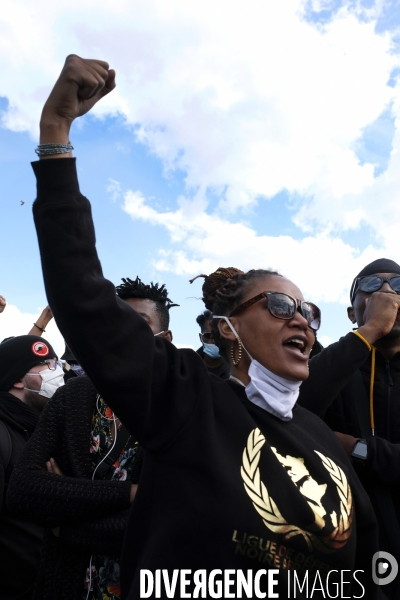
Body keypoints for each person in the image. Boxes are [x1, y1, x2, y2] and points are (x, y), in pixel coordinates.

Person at [31, 55, 381, 598]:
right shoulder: (190, 404)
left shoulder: (317, 435)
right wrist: (56, 134)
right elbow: (83, 296)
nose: (303, 323)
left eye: (309, 312)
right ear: (229, 329)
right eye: (279, 306)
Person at [8, 276, 177, 600]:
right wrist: (128, 493)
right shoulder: (73, 397)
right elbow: (23, 489)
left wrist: (65, 523)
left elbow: (165, 517)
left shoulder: (182, 410)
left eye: (138, 323)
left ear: (165, 337)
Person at [299, 257, 400, 599]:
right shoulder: (332, 368)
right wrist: (369, 332)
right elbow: (293, 415)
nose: (387, 292)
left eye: (398, 286)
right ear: (351, 312)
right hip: (346, 557)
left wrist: (358, 449)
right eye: (372, 286)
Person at [0, 335, 63, 600]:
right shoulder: (3, 434)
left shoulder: (42, 432)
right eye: (46, 365)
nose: (56, 372)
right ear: (17, 379)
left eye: (56, 363)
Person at [195, 308, 230, 380]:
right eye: (209, 336)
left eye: (218, 335)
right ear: (201, 337)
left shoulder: (237, 369)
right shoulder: (190, 366)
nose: (214, 340)